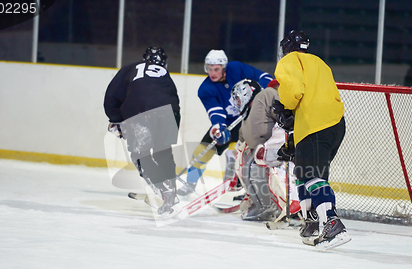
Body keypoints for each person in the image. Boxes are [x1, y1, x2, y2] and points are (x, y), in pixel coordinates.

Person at [273, 30, 350, 249]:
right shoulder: (320, 63)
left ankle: (332, 224)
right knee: (305, 173)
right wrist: (293, 142)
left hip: (315, 124)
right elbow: (313, 98)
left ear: (286, 48)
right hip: (335, 124)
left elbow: (295, 91)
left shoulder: (289, 61)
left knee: (312, 176)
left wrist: (285, 109)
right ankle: (312, 223)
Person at [176, 50, 274, 196]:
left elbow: (262, 76)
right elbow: (215, 112)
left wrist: (267, 87)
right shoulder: (206, 89)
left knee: (237, 152)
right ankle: (190, 184)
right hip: (228, 124)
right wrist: (218, 128)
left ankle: (245, 187)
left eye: (216, 69)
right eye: (209, 69)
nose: (212, 73)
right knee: (200, 152)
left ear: (224, 68)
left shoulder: (236, 69)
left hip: (248, 120)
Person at [104, 47, 181, 216]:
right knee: (164, 152)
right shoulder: (165, 74)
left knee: (141, 154)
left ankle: (161, 190)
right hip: (170, 112)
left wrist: (116, 119)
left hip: (140, 113)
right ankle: (170, 190)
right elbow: (174, 99)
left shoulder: (132, 68)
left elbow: (111, 95)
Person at [233, 79, 300, 221]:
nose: (238, 104)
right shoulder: (246, 119)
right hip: (266, 154)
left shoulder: (265, 95)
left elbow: (284, 116)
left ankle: (293, 204)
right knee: (249, 165)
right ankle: (265, 204)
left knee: (269, 166)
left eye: (238, 99)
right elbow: (242, 143)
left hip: (284, 149)